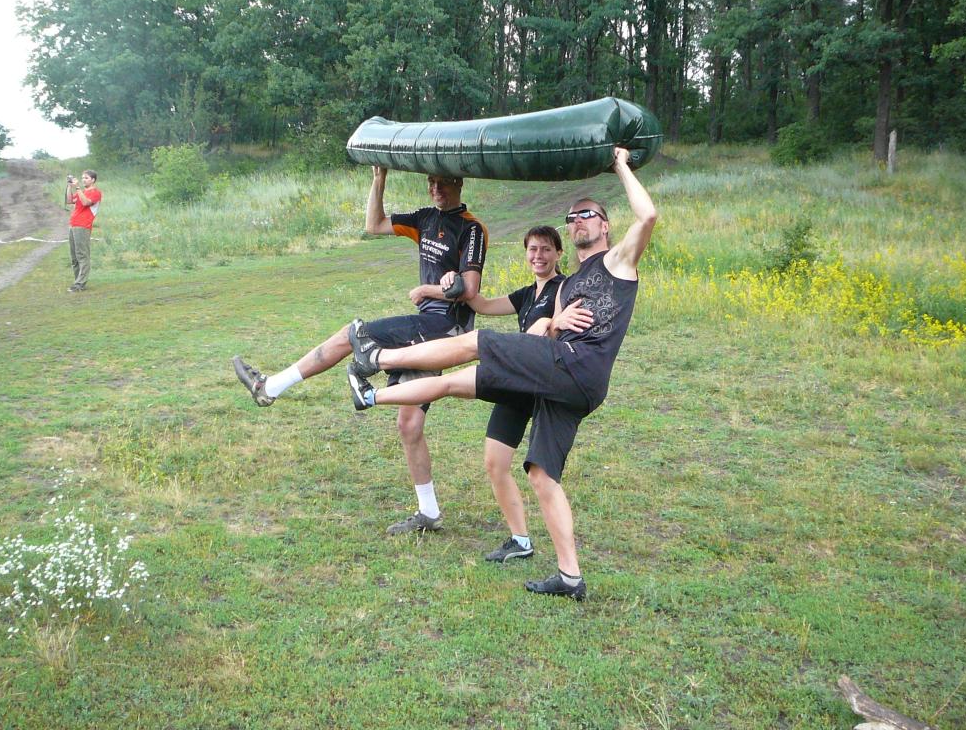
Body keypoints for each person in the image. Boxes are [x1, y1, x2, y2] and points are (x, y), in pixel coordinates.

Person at [345, 147, 657, 600]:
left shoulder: (618, 262)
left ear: (605, 225)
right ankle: (570, 577)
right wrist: (553, 320)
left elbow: (647, 216)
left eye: (587, 215)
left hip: (578, 365)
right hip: (567, 378)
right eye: (572, 218)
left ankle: (378, 359)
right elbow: (546, 328)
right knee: (542, 475)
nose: (578, 222)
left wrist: (621, 165)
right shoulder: (568, 284)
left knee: (478, 342)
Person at [233, 168, 488, 535]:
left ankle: (271, 387)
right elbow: (374, 224)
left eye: (443, 183)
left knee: (352, 335)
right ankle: (429, 513)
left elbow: (470, 288)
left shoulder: (471, 228)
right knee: (408, 423)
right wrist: (378, 179)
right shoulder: (424, 219)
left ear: (458, 182)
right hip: (426, 328)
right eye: (431, 183)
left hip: (446, 327)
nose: (435, 189)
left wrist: (428, 290)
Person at [463, 226, 565, 564]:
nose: (538, 256)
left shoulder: (565, 287)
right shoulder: (526, 294)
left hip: (548, 385)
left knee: (543, 474)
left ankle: (566, 560)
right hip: (518, 381)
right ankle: (520, 540)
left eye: (546, 249)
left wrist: (549, 321)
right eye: (532, 249)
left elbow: (563, 323)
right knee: (495, 463)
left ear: (559, 253)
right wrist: (458, 282)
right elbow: (482, 304)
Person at [65, 170, 102, 292]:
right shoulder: (81, 192)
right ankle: (77, 281)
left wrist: (77, 188)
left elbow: (86, 202)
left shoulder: (96, 192)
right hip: (73, 225)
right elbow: (69, 201)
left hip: (83, 226)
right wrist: (69, 186)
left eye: (86, 178)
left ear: (93, 180)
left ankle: (80, 284)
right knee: (74, 257)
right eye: (82, 178)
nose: (83, 180)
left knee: (82, 255)